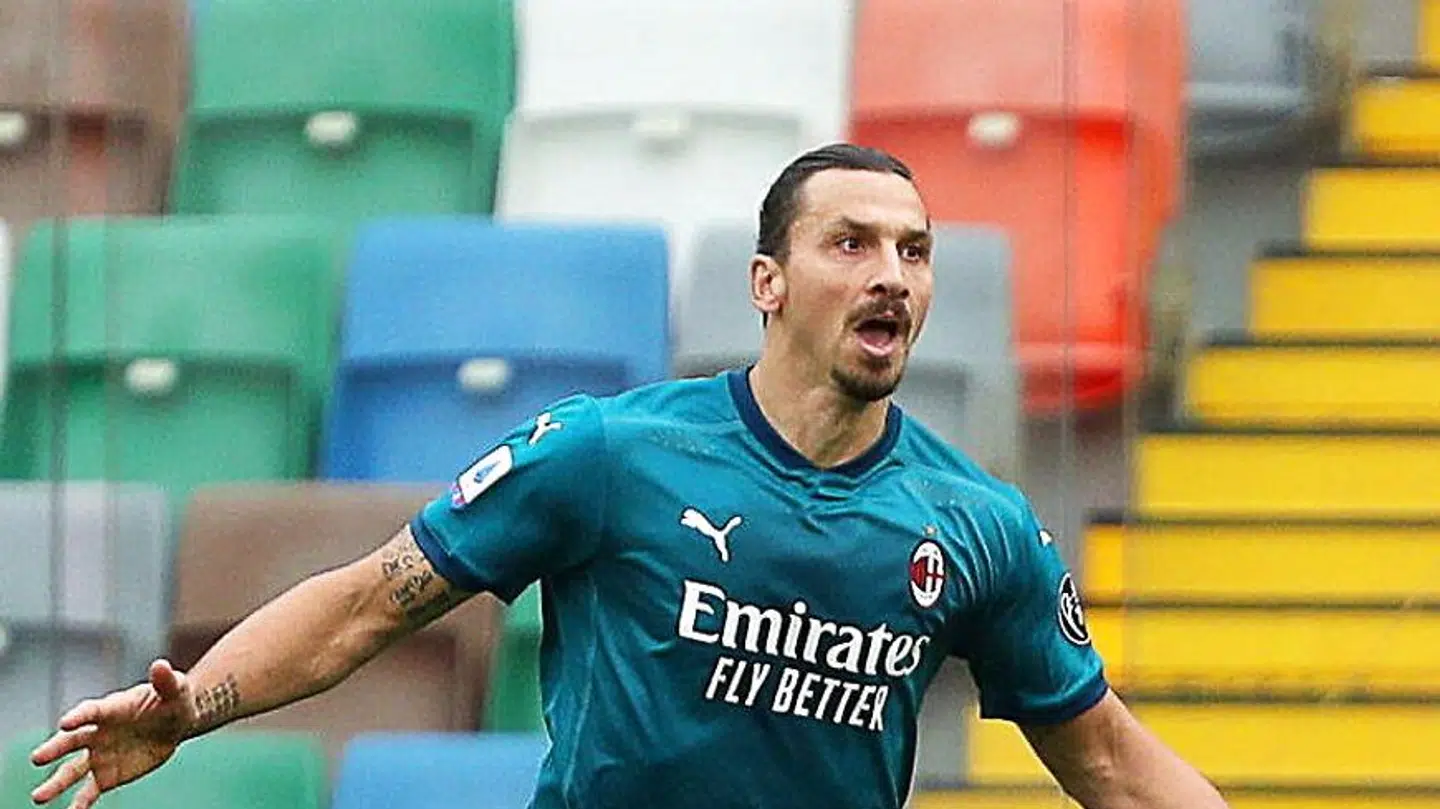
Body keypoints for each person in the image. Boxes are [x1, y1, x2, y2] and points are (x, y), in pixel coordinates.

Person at [29, 144, 1228, 809]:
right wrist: (197, 703)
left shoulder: (976, 522)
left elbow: (1110, 761)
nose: (892, 275)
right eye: (851, 242)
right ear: (767, 282)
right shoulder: (608, 453)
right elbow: (365, 602)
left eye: (914, 251)